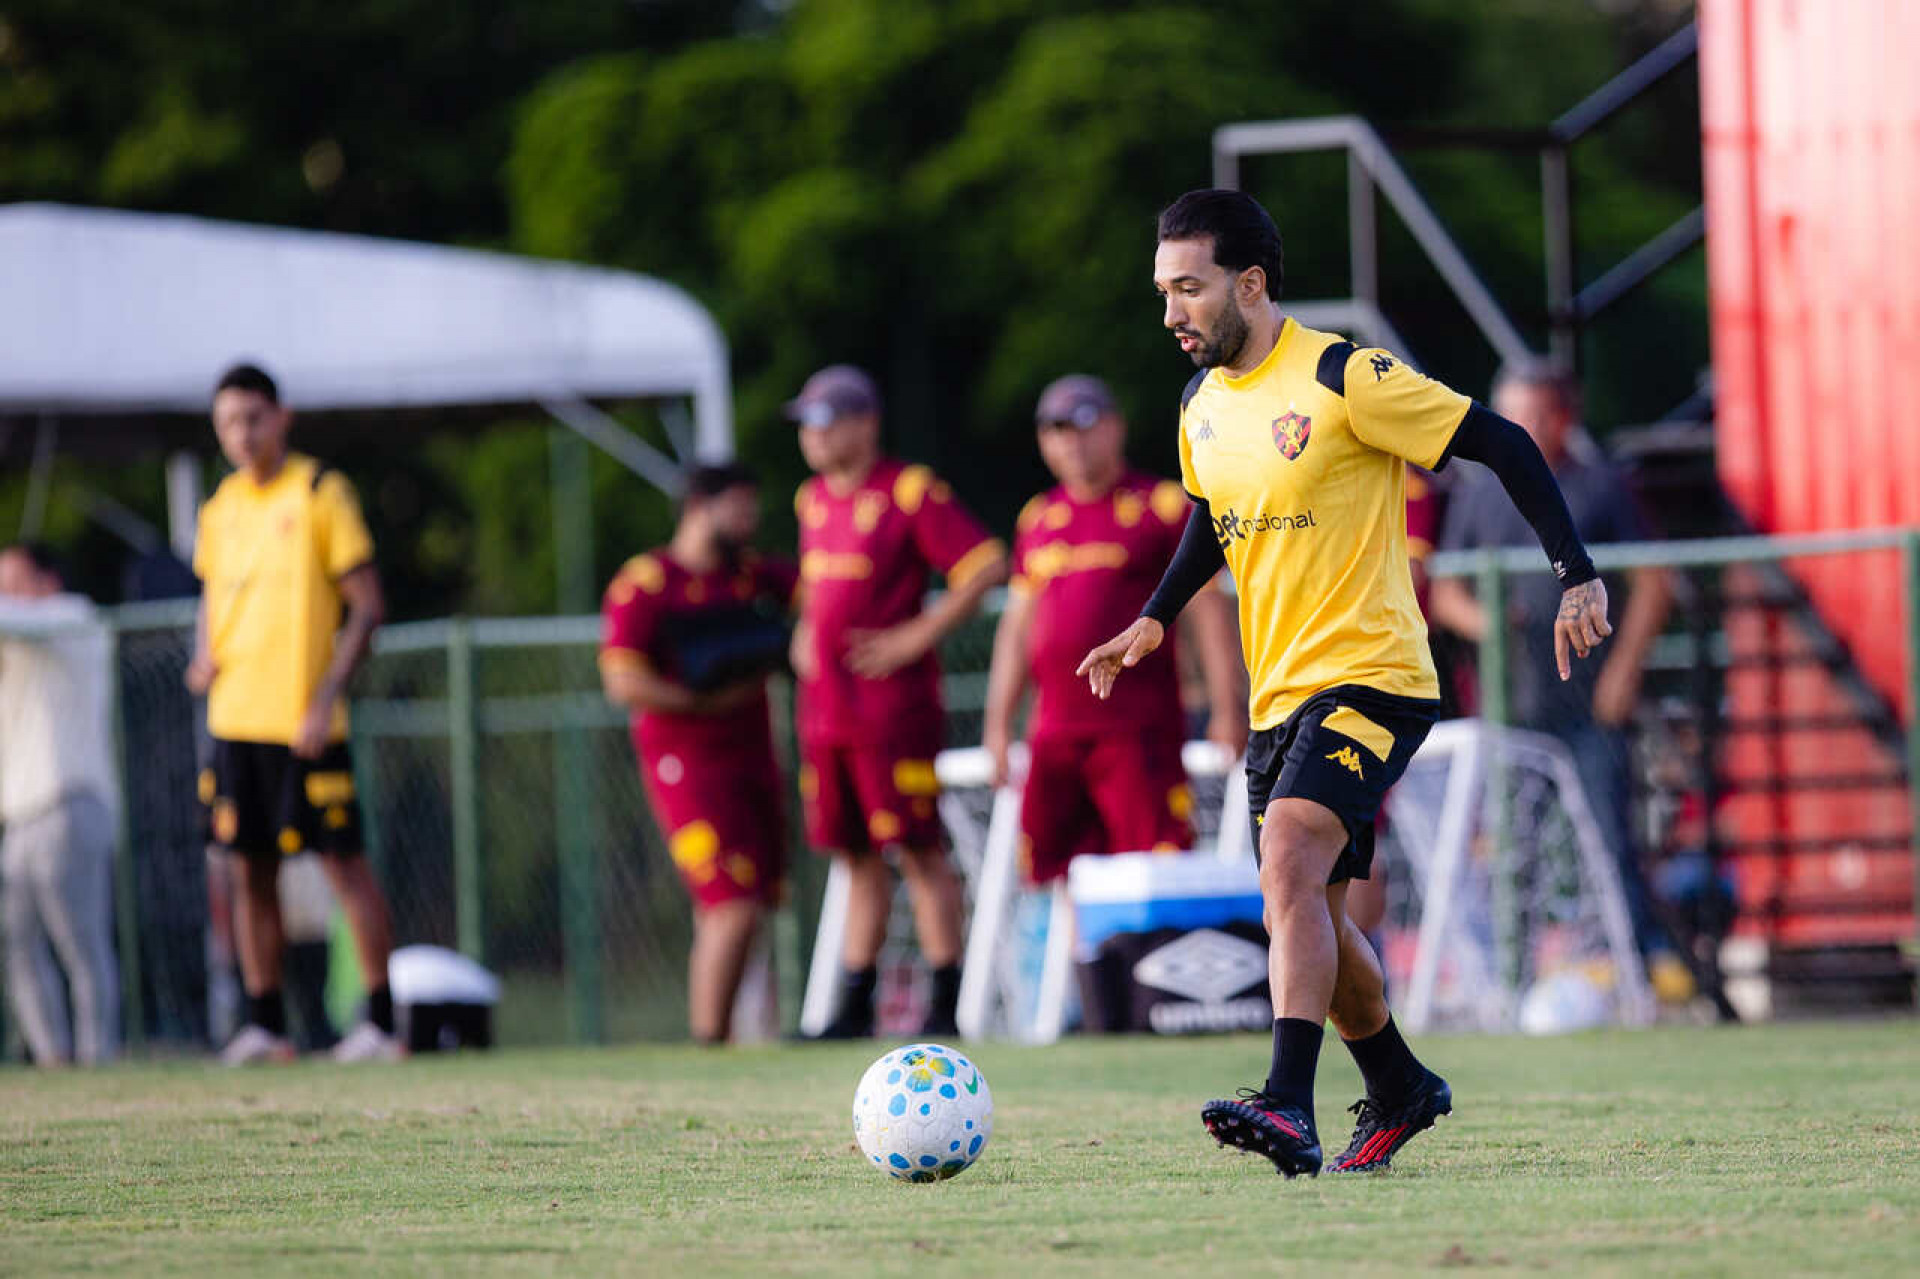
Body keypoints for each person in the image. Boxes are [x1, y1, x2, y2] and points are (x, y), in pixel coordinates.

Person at [1078, 190, 1614, 1177]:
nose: (1171, 313)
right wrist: (1156, 613)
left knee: (1287, 860)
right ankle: (1401, 1083)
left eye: (1188, 289)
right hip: (1280, 698)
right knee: (1310, 915)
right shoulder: (1200, 408)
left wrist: (1575, 569)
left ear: (1250, 283)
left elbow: (1502, 440)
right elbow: (1209, 516)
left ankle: (1287, 1102)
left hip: (1375, 679)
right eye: (1163, 292)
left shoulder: (1342, 374)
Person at [1425, 359, 1688, 1002]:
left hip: (1590, 706)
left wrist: (1623, 673)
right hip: (1514, 704)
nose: (1528, 426)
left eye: (1540, 412)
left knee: (1609, 842)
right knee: (1513, 852)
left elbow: (1655, 584)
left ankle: (1640, 978)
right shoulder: (1480, 491)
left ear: (1566, 416)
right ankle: (1512, 987)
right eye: (1516, 412)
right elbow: (1445, 592)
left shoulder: (1601, 486)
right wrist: (1489, 619)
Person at [188, 362, 401, 1064]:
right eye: (228, 422)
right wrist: (204, 654)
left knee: (343, 865)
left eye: (253, 417)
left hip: (305, 722)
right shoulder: (219, 507)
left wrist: (325, 695)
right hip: (235, 720)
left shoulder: (318, 492)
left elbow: (368, 605)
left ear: (282, 417)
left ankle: (378, 1021)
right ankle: (266, 1023)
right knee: (246, 869)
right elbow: (212, 597)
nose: (241, 434)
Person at [788, 364, 1008, 1039]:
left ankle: (946, 1000)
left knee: (916, 849)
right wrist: (803, 634)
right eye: (807, 425)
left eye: (825, 422)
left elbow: (984, 563)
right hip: (825, 715)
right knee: (854, 856)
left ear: (864, 424)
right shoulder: (811, 500)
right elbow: (812, 590)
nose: (813, 438)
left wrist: (917, 634)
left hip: (891, 713)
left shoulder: (908, 491)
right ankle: (854, 1002)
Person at [982, 374, 1246, 890]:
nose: (1072, 442)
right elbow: (1017, 629)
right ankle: (1093, 972)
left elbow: (1207, 615)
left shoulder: (1164, 506)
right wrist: (998, 724)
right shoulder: (1038, 519)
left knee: (1156, 868)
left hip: (1138, 730)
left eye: (1084, 426)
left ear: (1115, 429)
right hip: (1055, 731)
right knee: (1061, 875)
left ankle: (1144, 971)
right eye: (1057, 430)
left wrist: (1227, 707)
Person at [599, 462, 799, 1044]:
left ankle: (740, 1034)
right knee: (730, 902)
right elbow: (621, 680)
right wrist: (698, 700)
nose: (748, 520)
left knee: (755, 900)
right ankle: (707, 1041)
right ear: (699, 506)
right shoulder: (646, 583)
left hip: (754, 758)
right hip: (686, 765)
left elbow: (824, 594)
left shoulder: (753, 576)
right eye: (737, 506)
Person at [0, 543, 121, 1065]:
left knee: (82, 945)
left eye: (13, 582)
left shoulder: (76, 618)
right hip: (18, 818)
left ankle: (97, 1060)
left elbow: (23, 622)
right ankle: (54, 1060)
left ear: (48, 582)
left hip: (69, 805)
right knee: (19, 947)